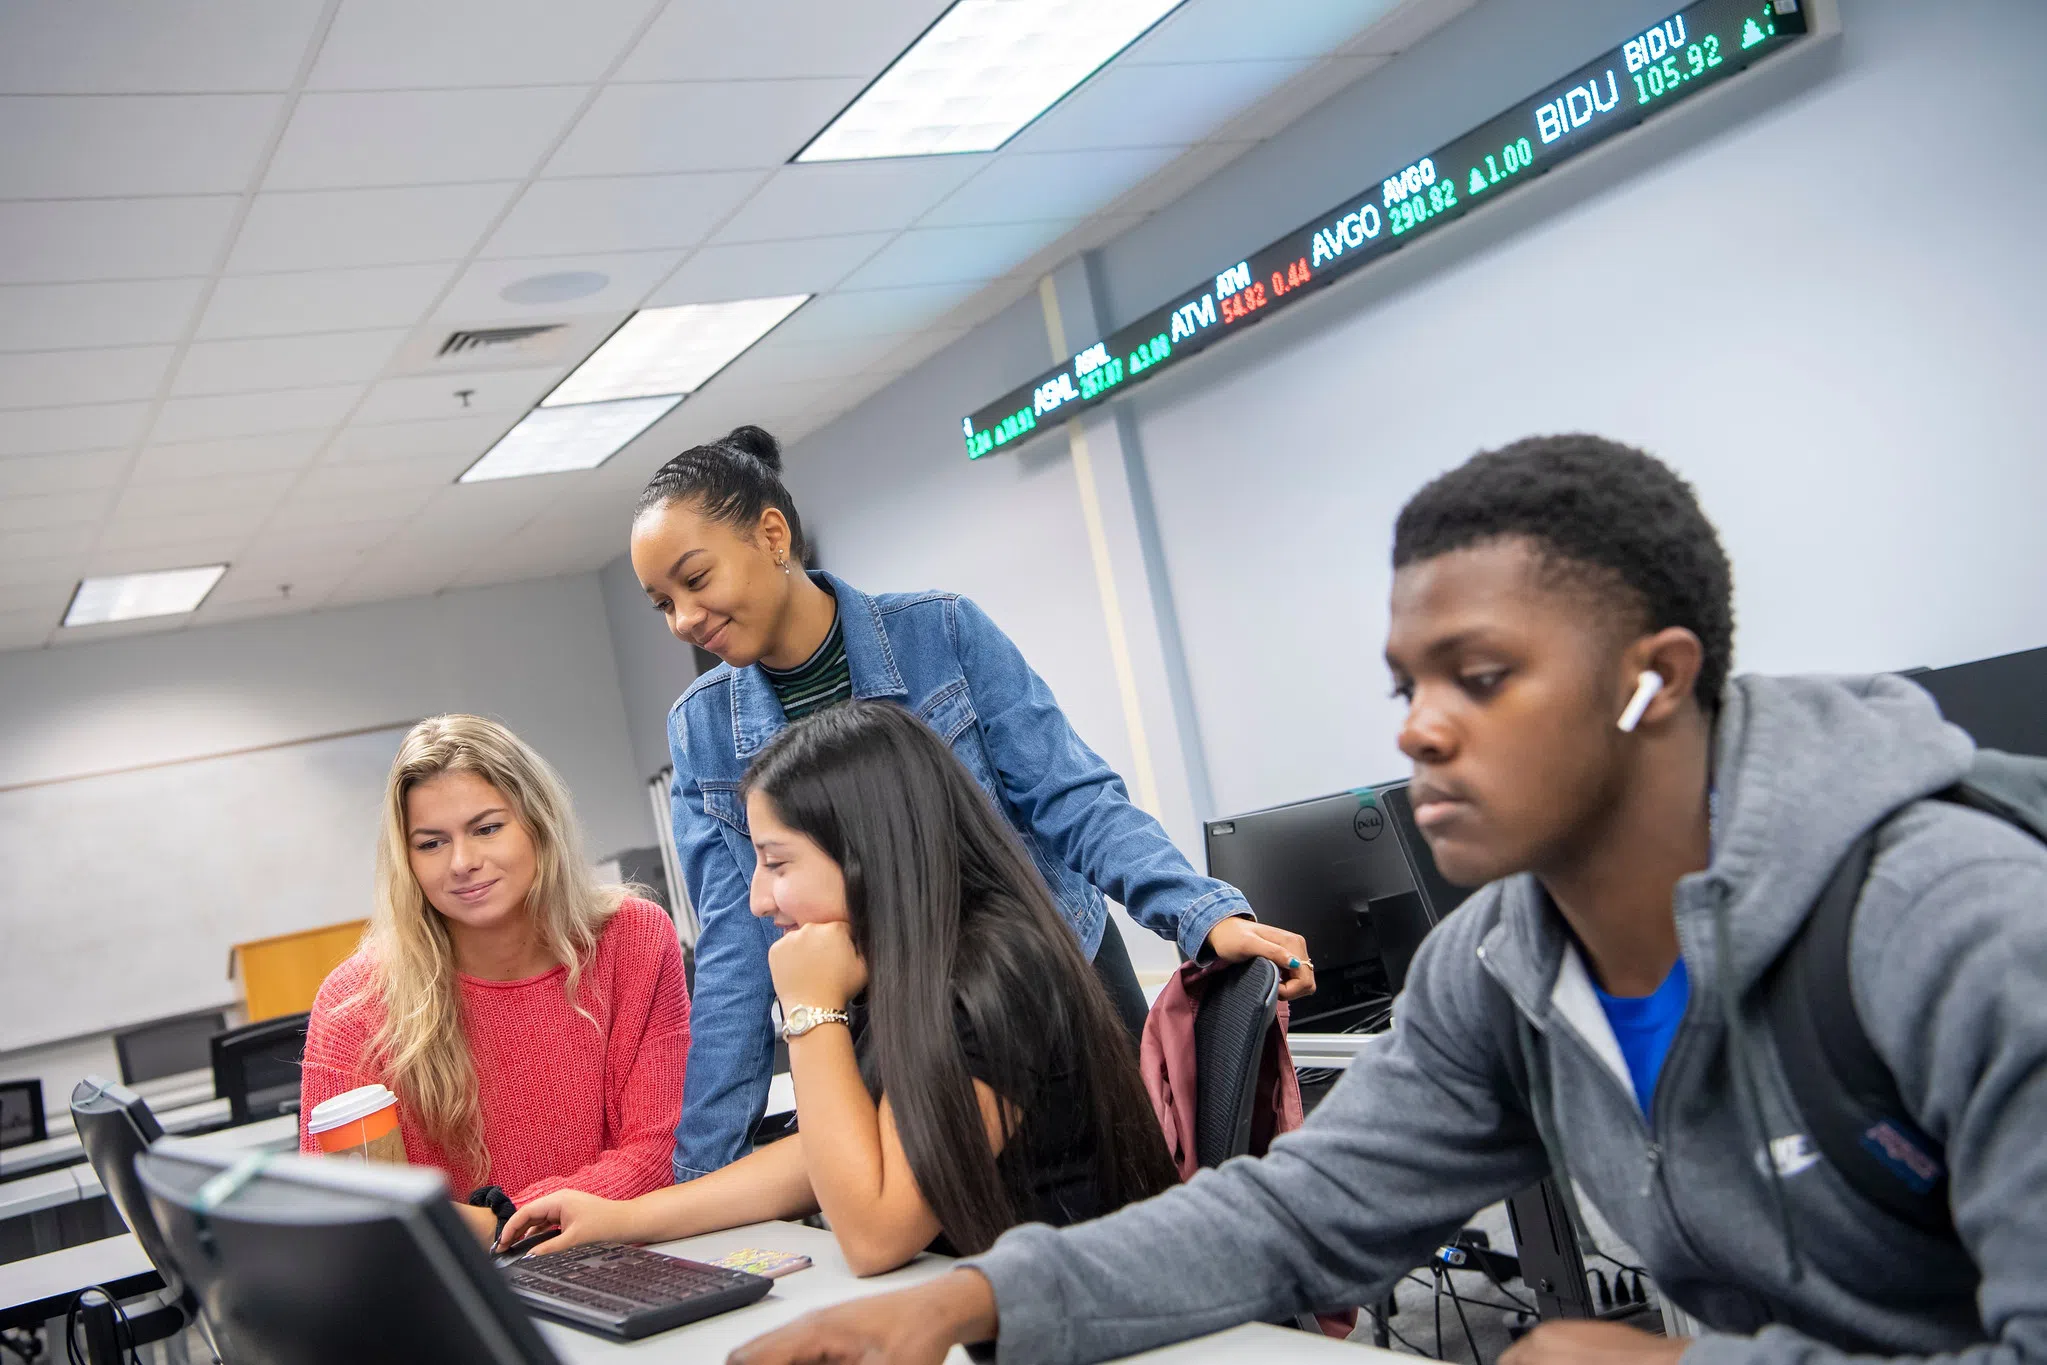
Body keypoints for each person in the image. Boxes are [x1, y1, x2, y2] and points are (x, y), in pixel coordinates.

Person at [727, 435, 2047, 1365]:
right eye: (1402, 686)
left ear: (1652, 683)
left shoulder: (1952, 930)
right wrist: (969, 1302)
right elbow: (1292, 1216)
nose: (1416, 732)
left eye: (1475, 678)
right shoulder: (1500, 965)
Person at [632, 424, 1314, 1184]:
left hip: (1048, 985)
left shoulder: (939, 632)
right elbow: (736, 948)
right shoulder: (702, 728)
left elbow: (1072, 798)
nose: (683, 619)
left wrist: (1201, 914)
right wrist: (704, 1171)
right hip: (902, 1026)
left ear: (771, 534)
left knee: (1126, 1209)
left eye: (696, 580)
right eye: (662, 602)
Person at [500, 702, 1178, 1273]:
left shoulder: (997, 976)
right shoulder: (909, 965)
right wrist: (622, 1217)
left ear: (867, 849)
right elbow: (832, 1152)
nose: (759, 899)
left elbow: (875, 1234)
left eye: (776, 863)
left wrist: (808, 1010)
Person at [300, 714, 690, 1247]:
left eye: (487, 829)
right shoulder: (355, 1003)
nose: (462, 862)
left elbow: (658, 1148)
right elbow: (334, 1207)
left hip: (620, 1252)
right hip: (459, 1291)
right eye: (431, 843)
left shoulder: (632, 939)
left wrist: (502, 1221)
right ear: (406, 860)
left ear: (538, 824)